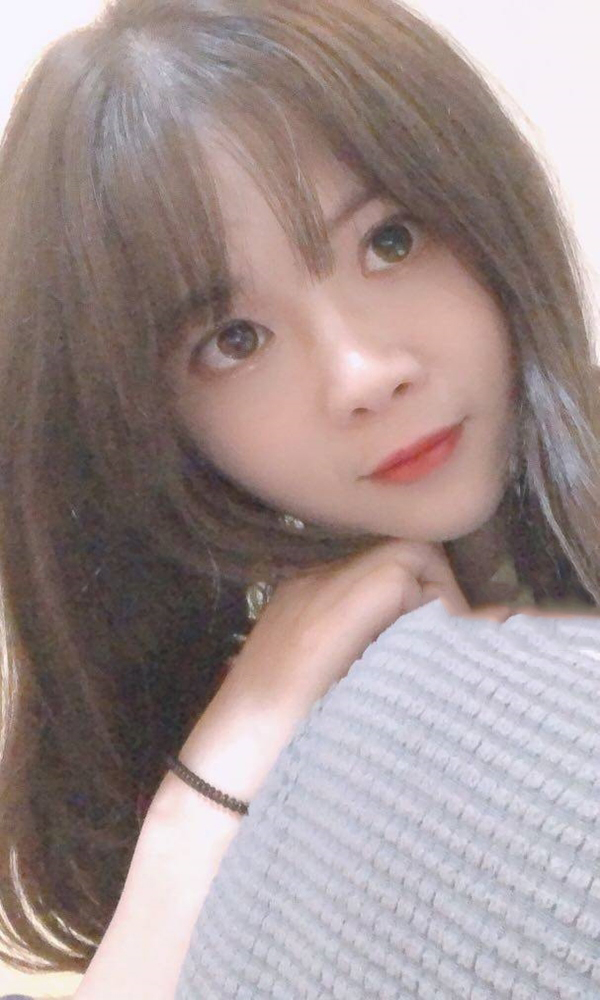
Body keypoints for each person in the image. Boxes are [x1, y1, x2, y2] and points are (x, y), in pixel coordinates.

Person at [0, 0, 599, 997]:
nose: (363, 374)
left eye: (391, 240)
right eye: (233, 340)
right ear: (150, 429)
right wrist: (212, 780)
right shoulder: (270, 706)